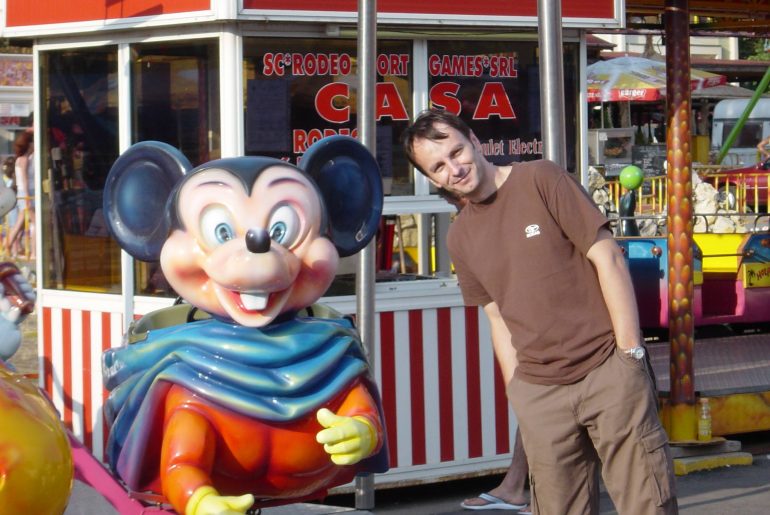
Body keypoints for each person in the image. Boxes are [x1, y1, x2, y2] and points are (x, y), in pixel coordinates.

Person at [403, 109, 677, 514]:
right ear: (432, 179)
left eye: (456, 152)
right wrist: (519, 392)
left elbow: (608, 259)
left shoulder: (541, 179)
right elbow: (496, 317)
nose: (454, 169)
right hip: (541, 393)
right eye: (438, 167)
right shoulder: (460, 237)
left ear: (474, 140)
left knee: (648, 504)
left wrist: (630, 353)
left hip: (606, 369)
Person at [438, 187, 531, 513]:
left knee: (548, 411)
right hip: (525, 329)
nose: (456, 207)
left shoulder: (515, 212)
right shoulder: (467, 233)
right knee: (536, 408)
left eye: (455, 200)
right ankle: (518, 487)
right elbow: (495, 312)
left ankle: (535, 492)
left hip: (555, 330)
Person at [6, 132, 34, 259]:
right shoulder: (24, 160)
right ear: (29, 144)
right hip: (25, 193)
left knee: (19, 224)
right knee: (32, 222)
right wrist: (27, 196)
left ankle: (7, 245)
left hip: (21, 193)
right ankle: (8, 246)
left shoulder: (19, 159)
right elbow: (24, 178)